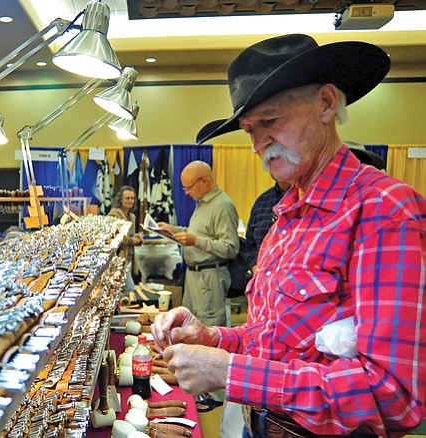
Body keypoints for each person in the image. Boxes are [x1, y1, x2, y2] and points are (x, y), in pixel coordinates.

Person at [151, 34, 426, 437]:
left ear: (327, 104)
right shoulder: (288, 216)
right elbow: (274, 338)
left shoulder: (383, 209)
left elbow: (394, 395)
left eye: (271, 121)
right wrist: (214, 337)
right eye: (249, 130)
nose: (259, 144)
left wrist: (230, 371)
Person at [158, 160, 239, 412]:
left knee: (207, 330)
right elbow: (200, 234)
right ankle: (201, 388)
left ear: (204, 181)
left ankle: (216, 395)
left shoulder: (222, 205)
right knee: (190, 331)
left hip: (209, 277)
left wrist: (195, 240)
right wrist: (176, 231)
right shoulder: (203, 204)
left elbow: (230, 247)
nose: (186, 193)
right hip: (194, 277)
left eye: (189, 187)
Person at [242, 178, 291, 274]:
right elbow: (249, 244)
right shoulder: (261, 202)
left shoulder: (310, 198)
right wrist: (254, 266)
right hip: (262, 280)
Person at [108, 185, 143, 291]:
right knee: (130, 289)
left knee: (122, 291)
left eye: (132, 198)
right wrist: (132, 240)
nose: (130, 201)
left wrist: (136, 237)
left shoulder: (132, 216)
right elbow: (115, 237)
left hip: (129, 257)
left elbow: (129, 235)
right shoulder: (114, 215)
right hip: (118, 258)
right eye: (127, 198)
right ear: (120, 200)